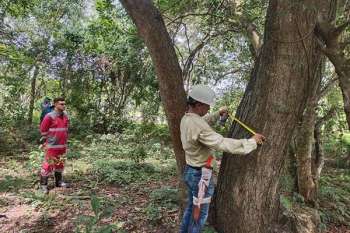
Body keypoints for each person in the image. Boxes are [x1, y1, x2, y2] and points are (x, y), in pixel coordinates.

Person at [179, 85, 265, 233]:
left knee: (192, 209)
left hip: (190, 171)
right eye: (207, 106)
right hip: (200, 177)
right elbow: (221, 142)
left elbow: (202, 122)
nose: (208, 109)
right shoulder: (198, 125)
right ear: (198, 104)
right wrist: (251, 142)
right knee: (199, 215)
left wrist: (217, 114)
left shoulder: (187, 119)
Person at [39, 97, 70, 194]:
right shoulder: (49, 116)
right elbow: (43, 130)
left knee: (60, 164)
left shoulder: (65, 115)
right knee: (48, 165)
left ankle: (59, 182)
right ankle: (43, 185)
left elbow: (65, 129)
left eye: (64, 104)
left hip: (62, 146)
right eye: (61, 104)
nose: (63, 106)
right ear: (55, 104)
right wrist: (45, 142)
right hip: (52, 146)